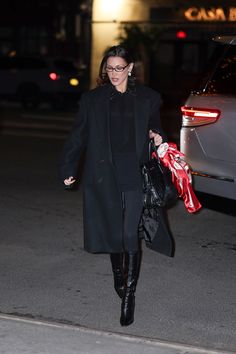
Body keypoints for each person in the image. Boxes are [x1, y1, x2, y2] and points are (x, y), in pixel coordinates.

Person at [60, 45, 167, 326]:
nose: (114, 74)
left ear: (130, 68)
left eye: (119, 68)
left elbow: (157, 126)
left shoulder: (147, 98)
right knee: (113, 232)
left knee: (130, 232)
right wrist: (68, 167)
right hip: (104, 175)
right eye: (110, 68)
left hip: (134, 173)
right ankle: (119, 278)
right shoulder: (93, 100)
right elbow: (78, 136)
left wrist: (157, 136)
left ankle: (128, 296)